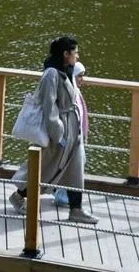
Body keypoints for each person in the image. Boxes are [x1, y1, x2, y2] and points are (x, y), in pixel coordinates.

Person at [9, 36, 97, 223]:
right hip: (60, 133)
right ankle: (18, 195)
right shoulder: (51, 74)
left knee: (76, 169)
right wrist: (59, 135)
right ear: (65, 54)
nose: (77, 56)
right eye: (75, 52)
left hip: (73, 131)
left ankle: (76, 209)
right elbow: (49, 107)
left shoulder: (67, 71)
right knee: (46, 170)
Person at [55, 61, 89, 207]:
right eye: (79, 75)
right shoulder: (69, 94)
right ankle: (63, 197)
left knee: (72, 168)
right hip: (70, 139)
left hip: (77, 138)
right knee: (69, 169)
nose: (82, 79)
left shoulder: (76, 92)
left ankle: (64, 196)